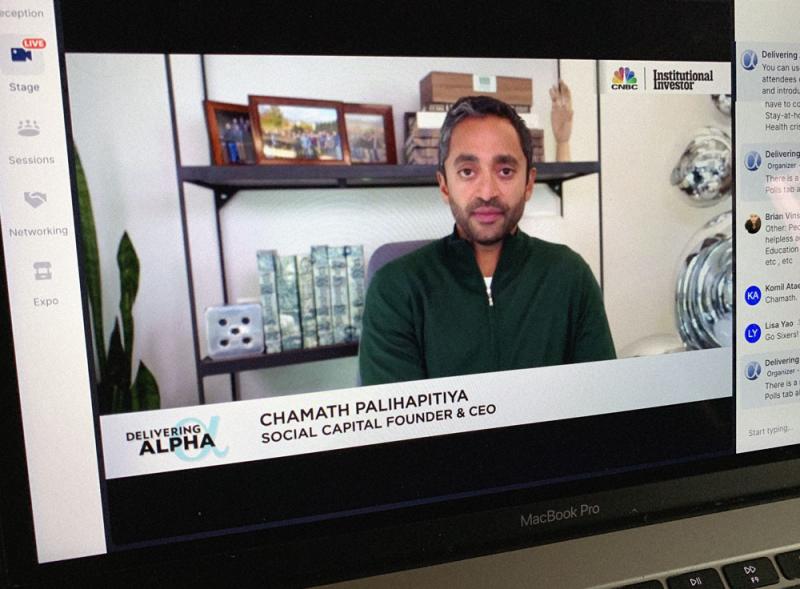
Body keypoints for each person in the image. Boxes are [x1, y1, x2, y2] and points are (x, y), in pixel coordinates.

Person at [358, 95, 615, 386]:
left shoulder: (570, 277)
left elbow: (601, 395)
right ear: (444, 185)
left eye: (505, 171)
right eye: (467, 172)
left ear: (529, 183)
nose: (487, 192)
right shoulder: (395, 290)